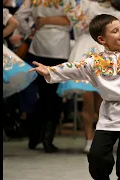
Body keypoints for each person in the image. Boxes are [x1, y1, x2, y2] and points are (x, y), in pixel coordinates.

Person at [29, 14, 120, 180]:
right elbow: (74, 68)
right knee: (96, 158)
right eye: (115, 31)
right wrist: (50, 71)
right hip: (108, 115)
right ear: (102, 39)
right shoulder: (94, 61)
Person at [56, 0, 120, 153]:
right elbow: (73, 18)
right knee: (87, 100)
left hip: (107, 53)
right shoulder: (85, 4)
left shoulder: (116, 12)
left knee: (104, 102)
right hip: (85, 50)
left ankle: (104, 139)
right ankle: (88, 139)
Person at [14, 0, 76, 153]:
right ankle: (48, 139)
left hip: (39, 44)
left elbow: (19, 16)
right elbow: (73, 19)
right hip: (60, 47)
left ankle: (34, 136)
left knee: (41, 93)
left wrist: (29, 30)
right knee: (55, 94)